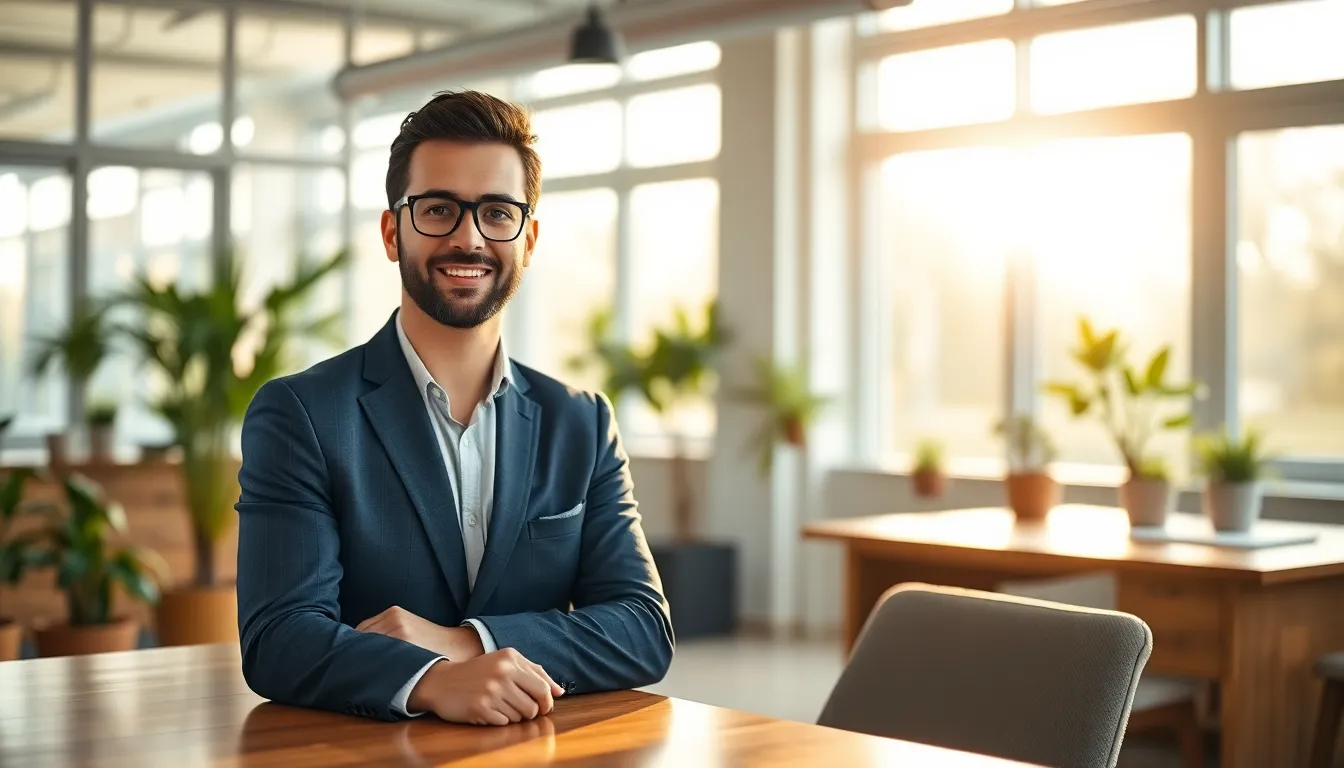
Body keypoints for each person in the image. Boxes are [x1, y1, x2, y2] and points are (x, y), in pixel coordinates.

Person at [235, 90, 674, 726]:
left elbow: (640, 628)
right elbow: (278, 637)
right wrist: (431, 683)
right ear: (393, 232)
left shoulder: (581, 422)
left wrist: (464, 643)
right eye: (439, 209)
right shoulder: (301, 413)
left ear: (529, 238)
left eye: (498, 213)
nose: (469, 238)